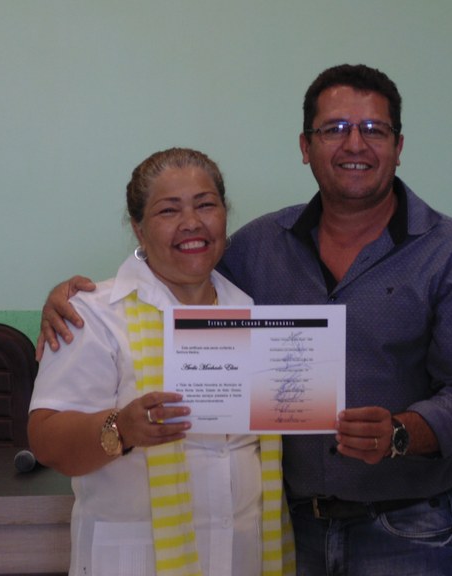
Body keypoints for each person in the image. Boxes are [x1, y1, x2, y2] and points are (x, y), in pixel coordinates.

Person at [38, 65, 452, 576]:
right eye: (334, 129)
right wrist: (68, 298)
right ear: (306, 146)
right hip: (291, 529)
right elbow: (179, 270)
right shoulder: (257, 249)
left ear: (398, 145)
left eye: (374, 129)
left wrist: (399, 433)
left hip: (405, 528)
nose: (355, 144)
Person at [28, 147, 293, 576]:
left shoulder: (250, 310)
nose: (192, 223)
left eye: (205, 205)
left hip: (243, 557)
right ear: (138, 228)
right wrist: (122, 429)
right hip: (136, 561)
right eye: (169, 210)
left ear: (225, 215)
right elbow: (46, 441)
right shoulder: (93, 314)